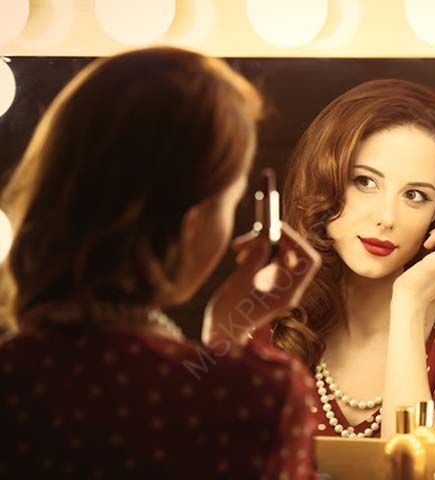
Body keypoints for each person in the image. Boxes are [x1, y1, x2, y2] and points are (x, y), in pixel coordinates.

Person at [0, 47, 322, 478]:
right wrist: (229, 345)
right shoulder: (257, 396)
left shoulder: (16, 380)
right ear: (193, 223)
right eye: (229, 202)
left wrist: (227, 337)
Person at [260, 78, 435, 441]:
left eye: (415, 195)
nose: (387, 217)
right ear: (323, 179)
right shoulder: (266, 326)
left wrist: (408, 304)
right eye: (365, 182)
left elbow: (422, 467)